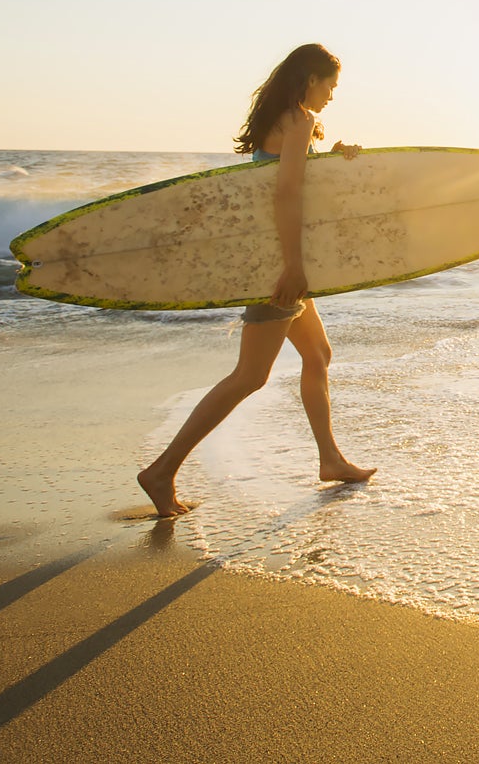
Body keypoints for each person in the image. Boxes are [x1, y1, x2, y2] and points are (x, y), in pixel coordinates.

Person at [138, 43, 375, 517]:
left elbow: (290, 180)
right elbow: (286, 195)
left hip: (272, 257)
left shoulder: (287, 120)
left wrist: (335, 159)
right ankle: (161, 471)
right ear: (311, 78)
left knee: (318, 354)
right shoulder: (301, 120)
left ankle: (330, 458)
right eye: (331, 83)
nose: (332, 94)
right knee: (250, 375)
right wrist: (293, 266)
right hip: (278, 264)